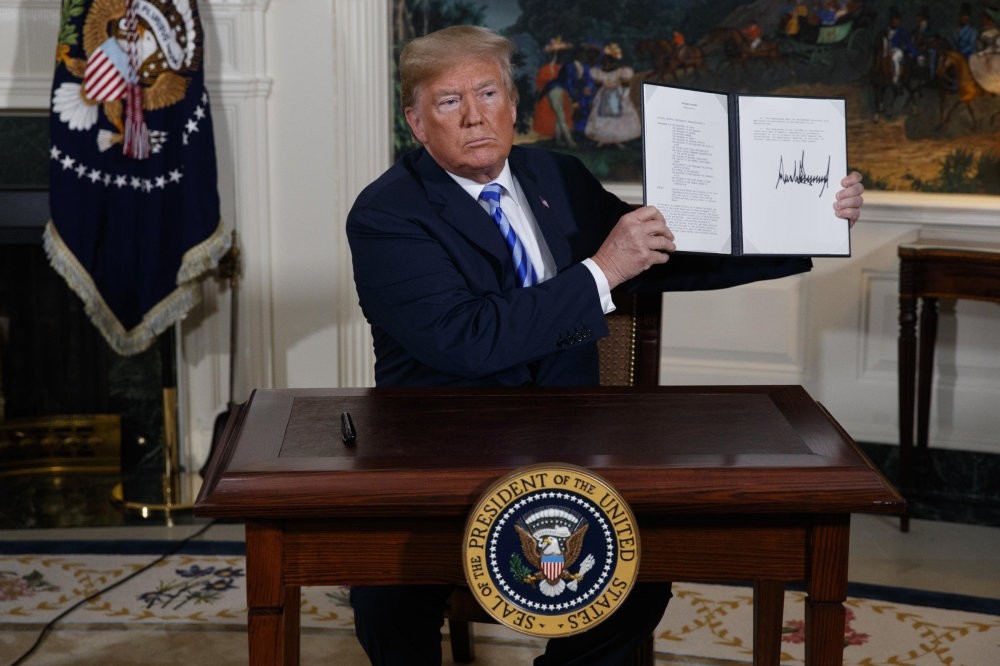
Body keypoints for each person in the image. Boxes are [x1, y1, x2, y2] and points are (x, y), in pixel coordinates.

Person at [346, 24, 864, 666]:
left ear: (512, 105)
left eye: (487, 93)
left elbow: (658, 254)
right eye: (449, 102)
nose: (475, 116)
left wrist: (807, 220)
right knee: (387, 597)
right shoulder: (387, 214)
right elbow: (468, 339)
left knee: (638, 582)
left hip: (569, 444)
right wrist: (601, 271)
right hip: (440, 455)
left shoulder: (552, 174)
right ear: (417, 122)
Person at [584, 42, 641, 147]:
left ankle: (617, 139)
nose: (608, 62)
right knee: (602, 116)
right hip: (604, 96)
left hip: (617, 95)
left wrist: (624, 95)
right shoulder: (598, 72)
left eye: (610, 60)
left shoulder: (621, 71)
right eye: (606, 60)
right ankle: (603, 139)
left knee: (618, 116)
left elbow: (626, 84)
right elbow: (597, 83)